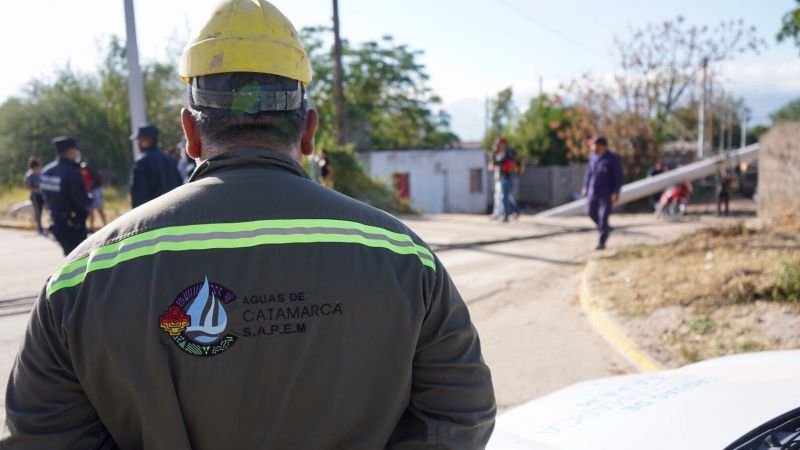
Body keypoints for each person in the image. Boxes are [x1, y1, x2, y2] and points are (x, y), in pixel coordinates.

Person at [1, 1, 496, 449]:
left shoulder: (81, 279)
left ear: (190, 133)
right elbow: (461, 415)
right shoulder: (405, 259)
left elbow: (44, 435)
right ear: (308, 131)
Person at [37, 136, 92, 255]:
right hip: (74, 225)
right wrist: (88, 204)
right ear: (71, 151)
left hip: (56, 222)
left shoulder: (47, 171)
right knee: (79, 259)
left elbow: (45, 196)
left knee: (69, 257)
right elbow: (80, 199)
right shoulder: (72, 172)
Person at [582, 135, 624, 250]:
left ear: (601, 146)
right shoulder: (592, 157)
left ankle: (602, 241)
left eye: (593, 144)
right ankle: (605, 228)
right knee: (590, 212)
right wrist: (585, 186)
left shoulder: (612, 158)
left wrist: (616, 191)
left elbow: (618, 176)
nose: (591, 147)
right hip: (593, 191)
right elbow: (589, 173)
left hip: (606, 193)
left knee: (603, 216)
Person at [130, 124, 184, 207]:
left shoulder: (142, 162)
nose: (138, 143)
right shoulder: (170, 160)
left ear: (147, 140)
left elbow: (139, 194)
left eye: (140, 140)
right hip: (173, 210)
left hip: (152, 212)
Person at [493, 136, 521, 222]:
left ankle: (506, 217)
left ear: (503, 144)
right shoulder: (502, 153)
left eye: (500, 143)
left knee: (504, 198)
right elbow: (497, 163)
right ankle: (516, 211)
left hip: (507, 178)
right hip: (503, 178)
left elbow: (500, 162)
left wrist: (495, 153)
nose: (498, 145)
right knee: (506, 197)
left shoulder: (507, 153)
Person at [80, 161, 107, 230]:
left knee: (99, 209)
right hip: (88, 194)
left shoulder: (93, 176)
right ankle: (91, 228)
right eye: (82, 169)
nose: (83, 171)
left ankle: (106, 225)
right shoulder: (81, 177)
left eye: (84, 169)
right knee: (91, 212)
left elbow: (95, 185)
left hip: (95, 193)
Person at [23, 157, 46, 235]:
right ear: (34, 166)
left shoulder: (41, 173)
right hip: (35, 196)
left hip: (43, 195)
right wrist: (38, 190)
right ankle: (40, 228)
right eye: (38, 166)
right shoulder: (29, 175)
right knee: (38, 211)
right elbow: (28, 186)